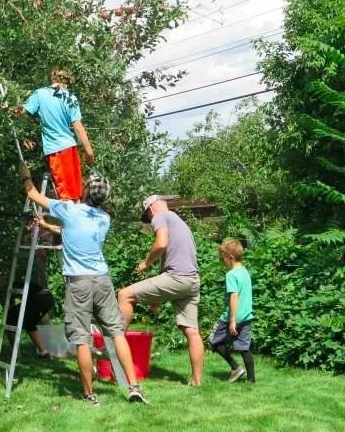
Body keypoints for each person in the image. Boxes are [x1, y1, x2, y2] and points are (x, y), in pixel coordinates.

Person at [19, 163, 148, 405]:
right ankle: (134, 387)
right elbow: (73, 232)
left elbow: (33, 195)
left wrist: (25, 175)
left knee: (81, 340)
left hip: (79, 284)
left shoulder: (70, 210)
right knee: (117, 332)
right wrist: (48, 226)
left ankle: (89, 394)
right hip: (102, 281)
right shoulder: (104, 218)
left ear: (87, 191)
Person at [117, 195, 204, 386]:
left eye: (148, 218)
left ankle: (116, 345)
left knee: (124, 295)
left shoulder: (160, 216)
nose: (150, 222)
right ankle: (197, 381)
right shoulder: (179, 222)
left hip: (177, 278)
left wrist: (146, 263)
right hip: (191, 281)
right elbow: (171, 263)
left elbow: (161, 243)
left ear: (150, 209)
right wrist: (156, 298)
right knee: (192, 331)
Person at [16, 68, 96, 201]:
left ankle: (68, 220)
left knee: (66, 196)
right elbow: (78, 127)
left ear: (53, 79)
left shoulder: (40, 94)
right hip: (71, 148)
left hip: (57, 150)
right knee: (75, 194)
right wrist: (89, 152)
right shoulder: (70, 97)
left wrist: (7, 108)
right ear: (66, 82)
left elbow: (20, 112)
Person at [209, 239, 256, 384]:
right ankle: (251, 381)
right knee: (244, 348)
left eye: (222, 258)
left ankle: (235, 367)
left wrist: (232, 319)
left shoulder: (231, 275)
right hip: (247, 316)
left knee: (214, 341)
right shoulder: (245, 272)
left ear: (230, 257)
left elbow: (234, 296)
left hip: (231, 317)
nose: (221, 261)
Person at [0, 270, 54, 357]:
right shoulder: (5, 284)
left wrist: (3, 331)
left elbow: (9, 310)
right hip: (44, 298)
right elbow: (10, 311)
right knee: (18, 320)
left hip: (41, 297)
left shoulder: (5, 286)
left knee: (27, 322)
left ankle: (43, 352)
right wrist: (4, 330)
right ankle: (22, 353)